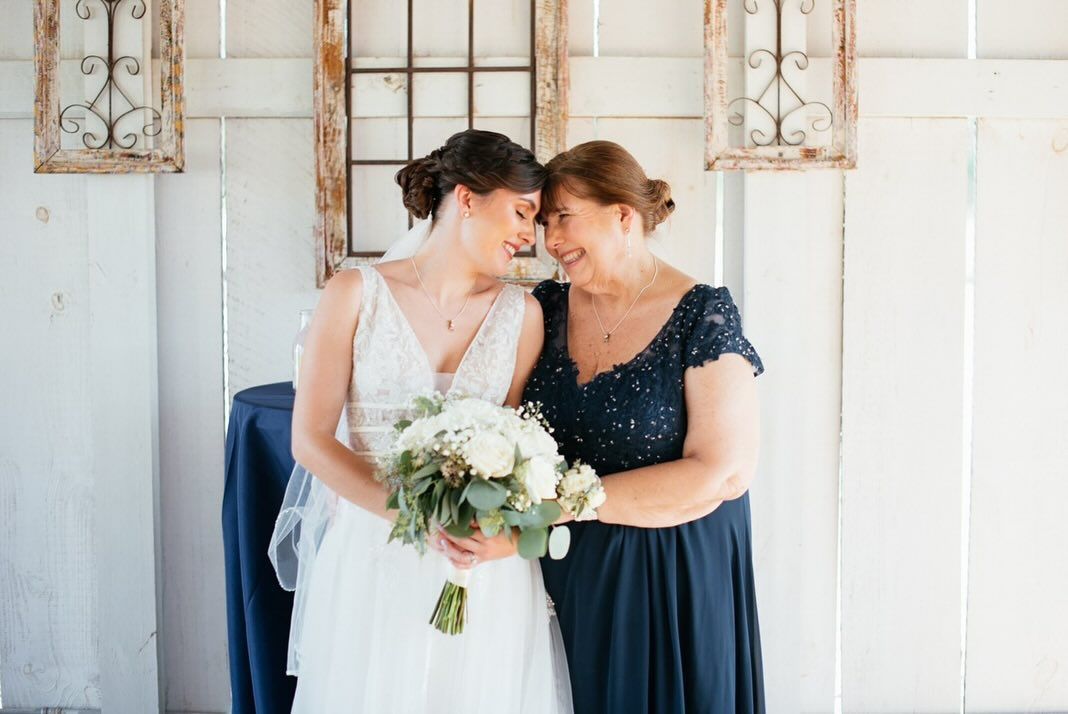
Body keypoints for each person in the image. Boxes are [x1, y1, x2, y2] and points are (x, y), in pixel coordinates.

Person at [269, 129, 572, 713]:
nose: (527, 236)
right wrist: (416, 517)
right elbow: (309, 441)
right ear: (466, 198)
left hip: (477, 563)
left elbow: (511, 443)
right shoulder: (356, 293)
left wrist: (489, 526)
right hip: (374, 547)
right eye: (520, 212)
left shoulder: (523, 314)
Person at [523, 140, 766, 713]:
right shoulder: (545, 307)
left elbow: (725, 471)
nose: (550, 240)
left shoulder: (701, 313)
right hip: (567, 575)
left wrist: (563, 502)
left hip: (670, 580)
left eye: (564, 218)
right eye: (543, 223)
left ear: (623, 216)